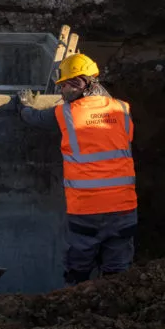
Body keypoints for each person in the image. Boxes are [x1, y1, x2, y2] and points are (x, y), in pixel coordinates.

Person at [16, 53, 137, 286]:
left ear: (78, 84)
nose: (61, 92)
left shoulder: (66, 113)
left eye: (64, 86)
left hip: (87, 208)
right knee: (119, 270)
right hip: (124, 207)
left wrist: (22, 106)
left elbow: (34, 118)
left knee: (79, 268)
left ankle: (76, 308)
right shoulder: (122, 109)